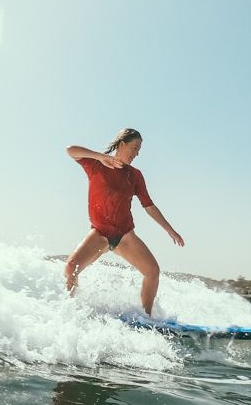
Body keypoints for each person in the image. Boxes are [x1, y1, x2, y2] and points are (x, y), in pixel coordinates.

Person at [65, 128, 184, 316]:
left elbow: (149, 206)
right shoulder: (96, 165)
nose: (137, 153)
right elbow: (70, 150)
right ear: (122, 144)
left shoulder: (135, 175)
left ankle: (146, 318)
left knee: (152, 272)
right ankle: (69, 311)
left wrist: (170, 230)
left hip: (124, 236)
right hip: (99, 234)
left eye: (139, 150)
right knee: (71, 267)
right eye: (135, 148)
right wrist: (99, 156)